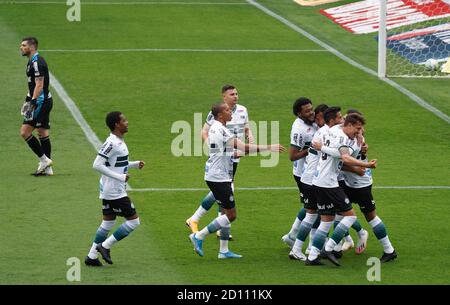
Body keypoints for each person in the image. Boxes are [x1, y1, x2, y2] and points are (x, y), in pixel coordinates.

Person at [189, 102, 284, 258]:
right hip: (219, 178)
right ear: (220, 115)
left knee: (225, 213)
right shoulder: (222, 130)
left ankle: (223, 251)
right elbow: (243, 147)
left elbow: (233, 153)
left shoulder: (216, 128)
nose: (230, 112)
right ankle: (198, 236)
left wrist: (246, 152)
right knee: (231, 215)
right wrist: (268, 147)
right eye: (227, 110)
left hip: (217, 175)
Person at [306, 113, 377, 266]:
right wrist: (367, 164)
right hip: (329, 183)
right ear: (349, 125)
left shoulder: (336, 129)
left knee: (326, 221)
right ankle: (329, 248)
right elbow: (345, 158)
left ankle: (312, 257)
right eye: (357, 129)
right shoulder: (343, 138)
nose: (358, 132)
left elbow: (335, 150)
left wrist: (358, 144)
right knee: (350, 216)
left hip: (319, 181)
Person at [186, 85, 254, 240]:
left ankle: (196, 219)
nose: (235, 96)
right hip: (224, 157)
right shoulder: (217, 113)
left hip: (235, 155)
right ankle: (215, 226)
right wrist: (214, 147)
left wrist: (250, 136)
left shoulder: (243, 110)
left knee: (222, 190)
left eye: (237, 93)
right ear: (224, 97)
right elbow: (204, 131)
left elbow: (246, 128)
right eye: (232, 94)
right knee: (225, 189)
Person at [85, 112, 145, 266]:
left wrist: (134, 164)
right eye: (124, 120)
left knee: (107, 224)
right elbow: (97, 164)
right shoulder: (111, 143)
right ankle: (105, 246)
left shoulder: (118, 142)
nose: (127, 122)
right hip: (114, 192)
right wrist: (119, 177)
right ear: (117, 124)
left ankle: (91, 256)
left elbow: (115, 163)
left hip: (109, 190)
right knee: (134, 222)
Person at [341, 115, 397, 262]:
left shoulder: (354, 140)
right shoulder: (355, 138)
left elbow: (344, 163)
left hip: (361, 185)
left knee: (370, 217)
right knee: (340, 212)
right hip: (350, 183)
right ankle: (340, 244)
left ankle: (389, 250)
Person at [281, 97, 317, 248]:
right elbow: (292, 156)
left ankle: (292, 236)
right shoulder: (299, 129)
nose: (311, 112)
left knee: (311, 206)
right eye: (307, 111)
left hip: (312, 172)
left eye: (311, 108)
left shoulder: (314, 122)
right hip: (303, 174)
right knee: (314, 209)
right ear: (299, 113)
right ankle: (311, 245)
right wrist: (312, 150)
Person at [19, 37, 53, 176]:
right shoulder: (32, 61)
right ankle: (48, 168)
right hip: (37, 100)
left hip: (40, 102)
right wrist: (28, 100)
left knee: (25, 132)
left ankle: (44, 160)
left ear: (32, 47)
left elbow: (39, 84)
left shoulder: (37, 63)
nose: (21, 47)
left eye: (24, 45)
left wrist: (32, 102)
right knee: (42, 132)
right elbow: (32, 84)